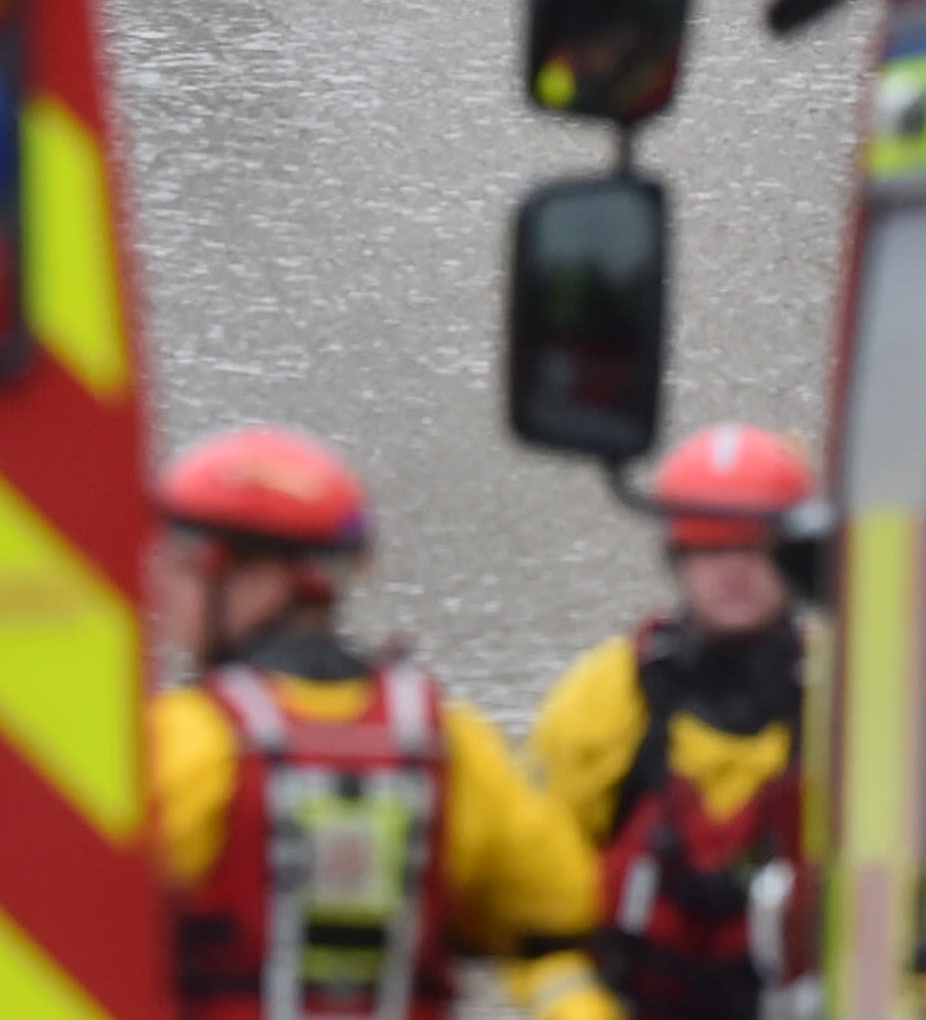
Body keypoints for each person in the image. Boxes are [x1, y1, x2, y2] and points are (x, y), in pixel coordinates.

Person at [149, 425, 623, 1020]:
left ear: (260, 577)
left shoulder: (182, 742)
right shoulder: (447, 742)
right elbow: (562, 906)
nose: (168, 592)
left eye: (186, 567)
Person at [531, 424, 825, 1020]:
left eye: (756, 550)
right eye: (711, 550)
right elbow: (538, 916)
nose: (734, 572)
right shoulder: (603, 700)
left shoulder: (845, 701)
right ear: (676, 559)